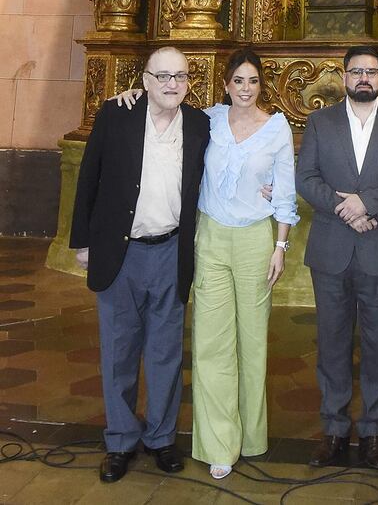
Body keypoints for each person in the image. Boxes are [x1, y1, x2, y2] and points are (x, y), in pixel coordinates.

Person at [116, 48, 298, 481]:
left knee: (252, 344)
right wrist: (130, 93)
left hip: (257, 241)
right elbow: (163, 103)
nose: (245, 89)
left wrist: (280, 248)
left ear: (261, 86)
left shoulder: (276, 128)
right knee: (212, 344)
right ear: (226, 84)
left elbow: (286, 193)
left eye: (253, 82)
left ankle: (251, 436)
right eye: (238, 81)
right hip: (211, 238)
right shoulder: (208, 120)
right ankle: (219, 443)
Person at [70, 47, 210, 484]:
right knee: (120, 352)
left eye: (181, 77)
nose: (172, 84)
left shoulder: (202, 125)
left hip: (171, 251)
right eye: (163, 76)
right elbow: (88, 176)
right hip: (121, 251)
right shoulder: (116, 114)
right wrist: (82, 241)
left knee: (167, 352)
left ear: (189, 82)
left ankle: (162, 438)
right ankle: (120, 441)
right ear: (145, 80)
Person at [295, 44, 378, 470]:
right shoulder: (320, 122)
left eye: (371, 71)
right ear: (344, 77)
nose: (364, 78)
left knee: (376, 343)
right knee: (331, 343)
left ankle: (372, 430)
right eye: (356, 72)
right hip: (331, 250)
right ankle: (333, 429)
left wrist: (365, 203)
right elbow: (306, 178)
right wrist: (343, 208)